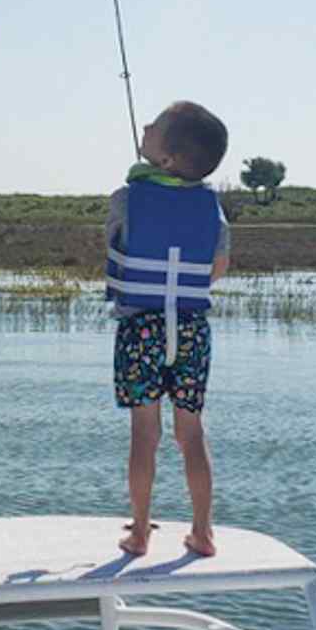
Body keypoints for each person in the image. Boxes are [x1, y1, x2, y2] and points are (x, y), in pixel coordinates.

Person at [106, 101, 229, 558]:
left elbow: (116, 243)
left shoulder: (125, 198)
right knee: (191, 432)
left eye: (155, 127)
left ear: (167, 160)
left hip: (140, 327)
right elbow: (217, 266)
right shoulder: (212, 208)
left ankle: (139, 533)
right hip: (193, 329)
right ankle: (203, 531)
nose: (146, 125)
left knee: (145, 433)